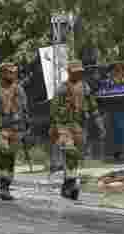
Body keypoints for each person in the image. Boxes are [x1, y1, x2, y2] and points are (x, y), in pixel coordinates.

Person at [50, 60, 98, 200]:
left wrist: (97, 121)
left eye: (80, 71)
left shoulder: (85, 87)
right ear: (69, 72)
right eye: (75, 71)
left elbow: (92, 104)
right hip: (64, 126)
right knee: (70, 151)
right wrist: (55, 127)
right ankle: (71, 184)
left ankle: (67, 185)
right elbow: (54, 109)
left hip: (79, 125)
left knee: (75, 156)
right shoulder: (62, 88)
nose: (78, 73)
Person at [0, 63, 30, 201]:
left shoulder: (19, 90)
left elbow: (25, 110)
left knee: (11, 157)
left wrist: (26, 127)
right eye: (9, 72)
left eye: (14, 73)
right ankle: (3, 186)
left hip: (15, 128)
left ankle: (6, 185)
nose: (12, 75)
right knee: (3, 152)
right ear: (2, 74)